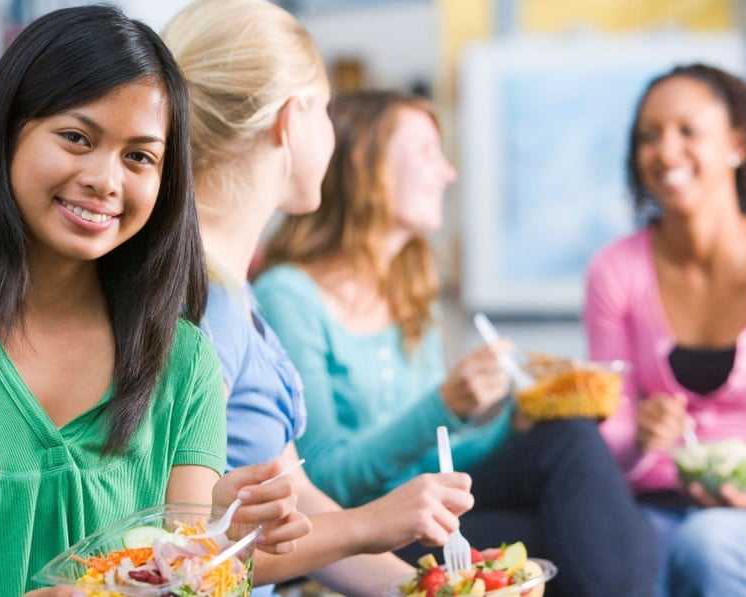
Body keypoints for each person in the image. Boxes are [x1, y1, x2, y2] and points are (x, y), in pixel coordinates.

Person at [0, 7, 308, 597]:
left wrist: (216, 546)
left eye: (139, 157)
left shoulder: (185, 366)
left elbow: (171, 579)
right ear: (6, 132)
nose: (106, 179)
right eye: (77, 137)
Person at [253, 89, 659, 597]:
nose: (447, 173)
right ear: (366, 163)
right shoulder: (288, 295)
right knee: (590, 536)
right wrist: (444, 405)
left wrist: (517, 416)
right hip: (360, 532)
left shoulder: (408, 291)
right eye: (426, 151)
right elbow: (326, 484)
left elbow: (434, 461)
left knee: (570, 436)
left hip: (422, 509)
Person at [163, 2, 478, 596]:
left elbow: (300, 503)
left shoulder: (234, 295)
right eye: (326, 111)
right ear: (291, 120)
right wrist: (370, 522)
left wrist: (436, 587)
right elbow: (172, 551)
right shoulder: (208, 305)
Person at [584, 63, 746, 596]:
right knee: (605, 550)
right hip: (657, 509)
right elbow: (611, 440)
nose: (665, 151)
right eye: (648, 135)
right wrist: (639, 439)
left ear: (737, 144)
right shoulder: (614, 272)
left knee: (708, 542)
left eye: (687, 131)